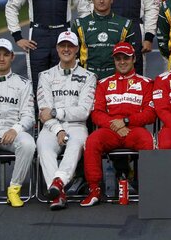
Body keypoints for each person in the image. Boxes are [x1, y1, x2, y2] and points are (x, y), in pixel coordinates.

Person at [5, 0, 91, 94]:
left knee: (64, 82)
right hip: (37, 37)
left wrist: (79, 37)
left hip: (63, 35)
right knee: (37, 84)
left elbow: (85, 10)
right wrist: (18, 36)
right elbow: (11, 6)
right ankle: (39, 118)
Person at [80, 42, 156, 207]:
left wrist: (126, 122)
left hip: (134, 130)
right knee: (91, 141)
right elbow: (96, 113)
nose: (122, 62)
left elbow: (150, 114)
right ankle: (94, 190)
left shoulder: (146, 83)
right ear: (114, 61)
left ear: (134, 59)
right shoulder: (104, 83)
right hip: (111, 131)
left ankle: (149, 189)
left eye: (126, 58)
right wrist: (115, 125)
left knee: (148, 141)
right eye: (118, 58)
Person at [36, 31, 96, 210]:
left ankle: (57, 184)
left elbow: (83, 112)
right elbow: (43, 112)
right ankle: (58, 191)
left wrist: (57, 112)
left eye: (70, 46)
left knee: (75, 144)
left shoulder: (89, 76)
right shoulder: (45, 76)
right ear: (57, 48)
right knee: (43, 145)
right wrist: (58, 129)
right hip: (51, 127)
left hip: (76, 126)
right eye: (63, 45)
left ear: (77, 49)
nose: (66, 49)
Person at [0, 39, 35, 208]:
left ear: (12, 57)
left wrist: (15, 129)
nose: (2, 58)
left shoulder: (24, 83)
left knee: (28, 144)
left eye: (6, 54)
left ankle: (14, 189)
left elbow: (29, 115)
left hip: (12, 132)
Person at [71, 0, 134, 80]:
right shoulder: (80, 24)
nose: (101, 1)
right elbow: (73, 57)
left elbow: (131, 57)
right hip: (87, 78)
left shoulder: (125, 24)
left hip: (116, 78)